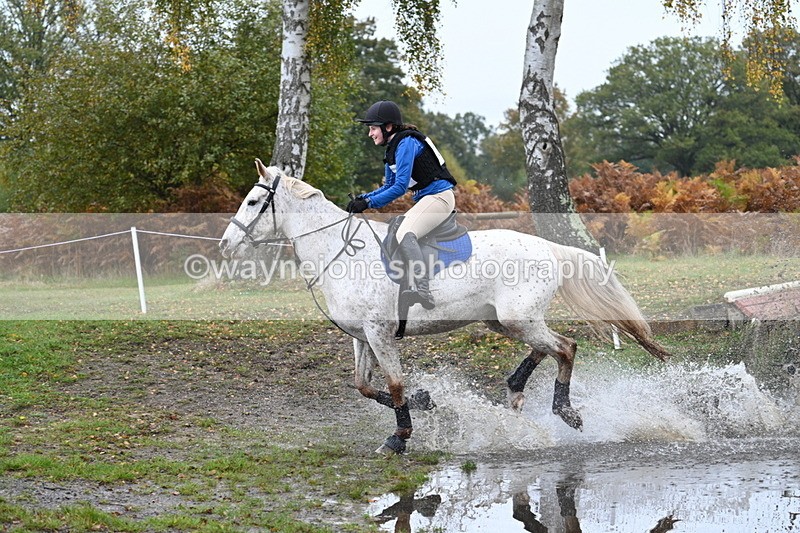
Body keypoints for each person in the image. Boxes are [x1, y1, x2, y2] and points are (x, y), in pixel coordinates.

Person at [348, 100, 457, 310]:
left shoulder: (406, 142)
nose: (370, 133)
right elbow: (388, 185)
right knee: (396, 228)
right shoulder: (393, 148)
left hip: (439, 197)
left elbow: (399, 188)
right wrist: (362, 198)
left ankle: (423, 289)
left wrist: (368, 203)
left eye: (372, 128)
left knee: (405, 232)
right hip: (427, 198)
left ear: (388, 127)